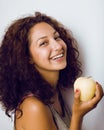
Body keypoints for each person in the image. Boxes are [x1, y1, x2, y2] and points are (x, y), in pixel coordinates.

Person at [0, 12, 103, 130]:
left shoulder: (55, 92)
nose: (58, 46)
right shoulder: (33, 107)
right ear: (27, 57)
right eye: (43, 43)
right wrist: (78, 115)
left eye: (56, 37)